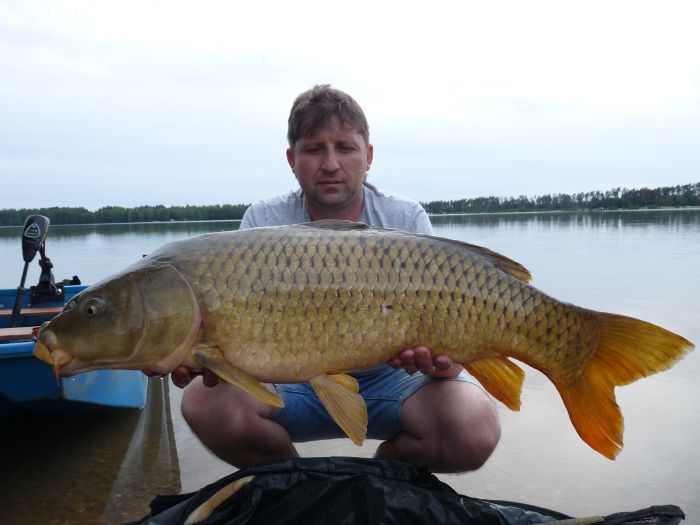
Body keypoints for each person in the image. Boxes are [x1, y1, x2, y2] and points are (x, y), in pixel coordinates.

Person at [173, 85, 501, 473]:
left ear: (369, 156)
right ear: (292, 159)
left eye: (344, 147)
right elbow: (232, 350)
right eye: (315, 150)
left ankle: (381, 483)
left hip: (393, 379)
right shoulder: (262, 223)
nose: (331, 164)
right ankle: (296, 487)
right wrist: (204, 357)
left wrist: (439, 363)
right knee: (205, 403)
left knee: (473, 427)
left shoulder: (405, 219)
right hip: (290, 383)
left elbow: (451, 366)